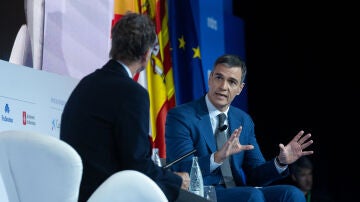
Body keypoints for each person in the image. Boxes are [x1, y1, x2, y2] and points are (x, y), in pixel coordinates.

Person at [60, 12, 206, 202]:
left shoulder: (86, 83)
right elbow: (136, 164)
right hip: (111, 194)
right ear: (146, 54)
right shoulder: (132, 93)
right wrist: (175, 179)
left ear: (114, 46)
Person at [165, 54, 314, 202]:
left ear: (240, 89)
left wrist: (280, 162)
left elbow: (256, 175)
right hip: (202, 192)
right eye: (218, 78)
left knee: (291, 193)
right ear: (210, 79)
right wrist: (217, 158)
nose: (223, 86)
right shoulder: (182, 116)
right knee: (252, 196)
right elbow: (182, 168)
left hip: (238, 190)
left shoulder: (243, 120)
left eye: (231, 82)